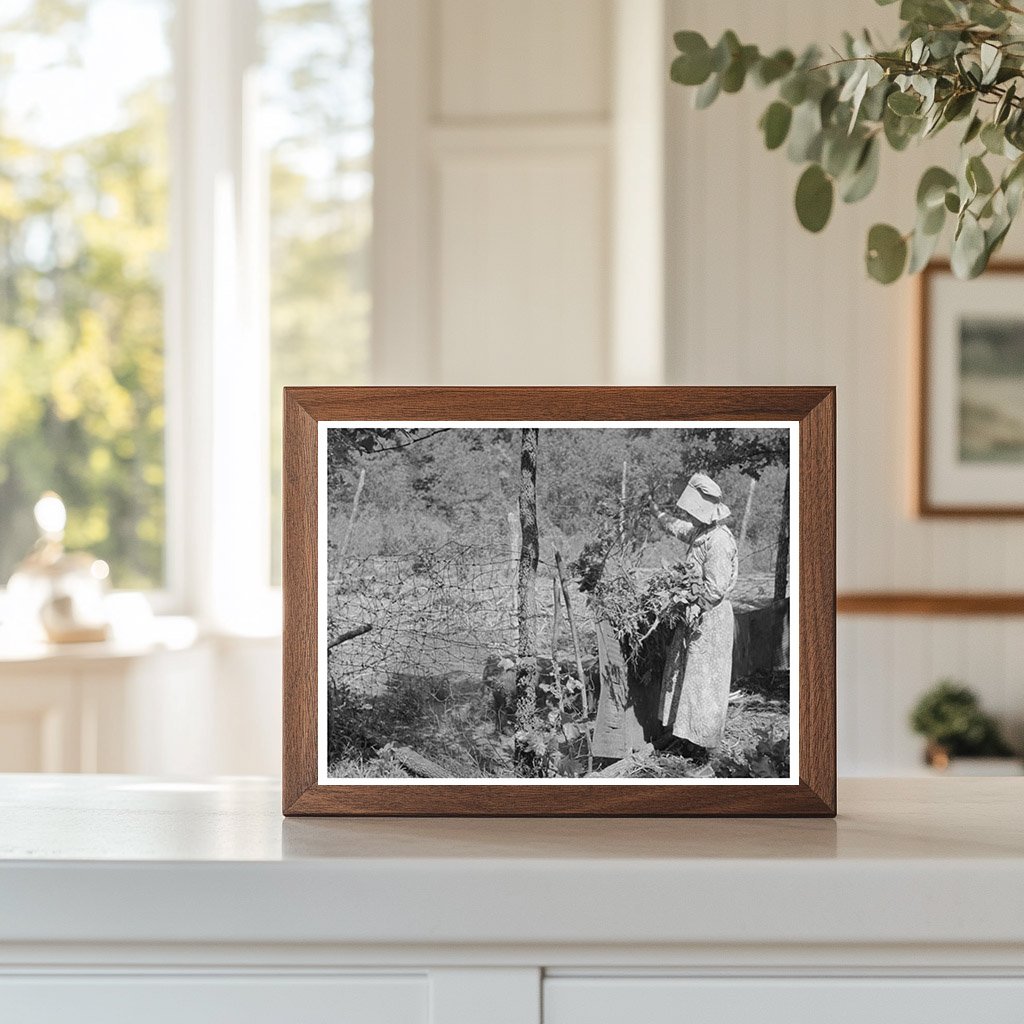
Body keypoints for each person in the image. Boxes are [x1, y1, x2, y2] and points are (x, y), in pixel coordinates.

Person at [649, 472, 738, 757]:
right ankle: (686, 739)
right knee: (689, 680)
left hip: (711, 619)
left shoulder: (719, 541)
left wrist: (693, 604)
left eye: (693, 510)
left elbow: (715, 588)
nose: (691, 516)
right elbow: (677, 528)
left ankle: (703, 749)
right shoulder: (701, 533)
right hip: (696, 617)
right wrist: (656, 512)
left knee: (705, 684)